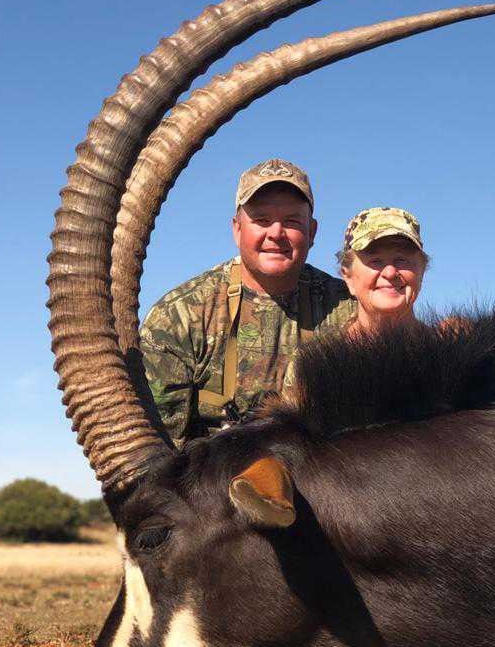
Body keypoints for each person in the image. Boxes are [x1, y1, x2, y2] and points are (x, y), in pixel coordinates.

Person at [138, 158, 356, 446]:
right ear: (237, 229)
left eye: (292, 221)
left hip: (318, 467)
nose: (276, 233)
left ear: (312, 232)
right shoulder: (179, 316)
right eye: (261, 220)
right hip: (212, 471)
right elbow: (158, 447)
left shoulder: (348, 308)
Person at [336, 206, 428, 334]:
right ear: (348, 277)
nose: (390, 273)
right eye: (375, 261)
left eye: (401, 260)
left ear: (422, 272)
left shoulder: (449, 344)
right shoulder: (322, 347)